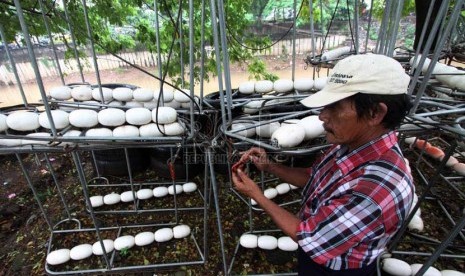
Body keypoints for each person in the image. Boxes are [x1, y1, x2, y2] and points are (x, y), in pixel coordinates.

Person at [232, 54, 415, 276]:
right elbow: (315, 177)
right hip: (319, 255)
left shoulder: (376, 191)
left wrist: (257, 196)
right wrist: (270, 167)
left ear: (374, 113)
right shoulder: (351, 146)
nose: (322, 116)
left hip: (338, 269)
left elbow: (308, 236)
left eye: (335, 106)